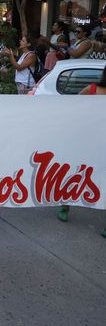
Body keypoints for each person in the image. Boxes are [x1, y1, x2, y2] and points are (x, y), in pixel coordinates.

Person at [57, 66, 106, 237]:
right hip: (88, 141)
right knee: (77, 172)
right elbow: (74, 107)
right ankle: (65, 204)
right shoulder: (92, 89)